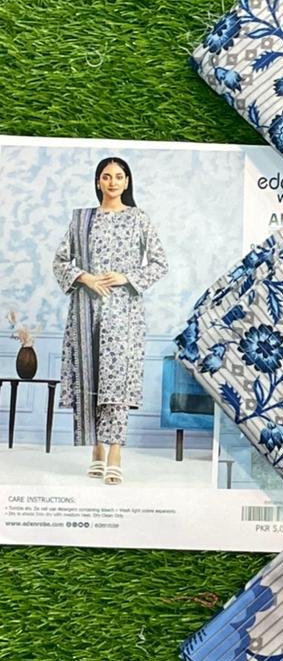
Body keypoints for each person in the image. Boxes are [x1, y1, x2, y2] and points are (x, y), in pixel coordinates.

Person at [52, 157, 168, 484]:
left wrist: (126, 277)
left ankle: (115, 453)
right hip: (86, 310)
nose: (113, 182)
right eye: (106, 176)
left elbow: (159, 263)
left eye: (119, 176)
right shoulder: (82, 220)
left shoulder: (139, 219)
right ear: (98, 182)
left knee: (116, 383)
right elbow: (60, 261)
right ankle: (96, 451)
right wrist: (86, 278)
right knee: (91, 379)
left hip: (123, 313)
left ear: (127, 182)